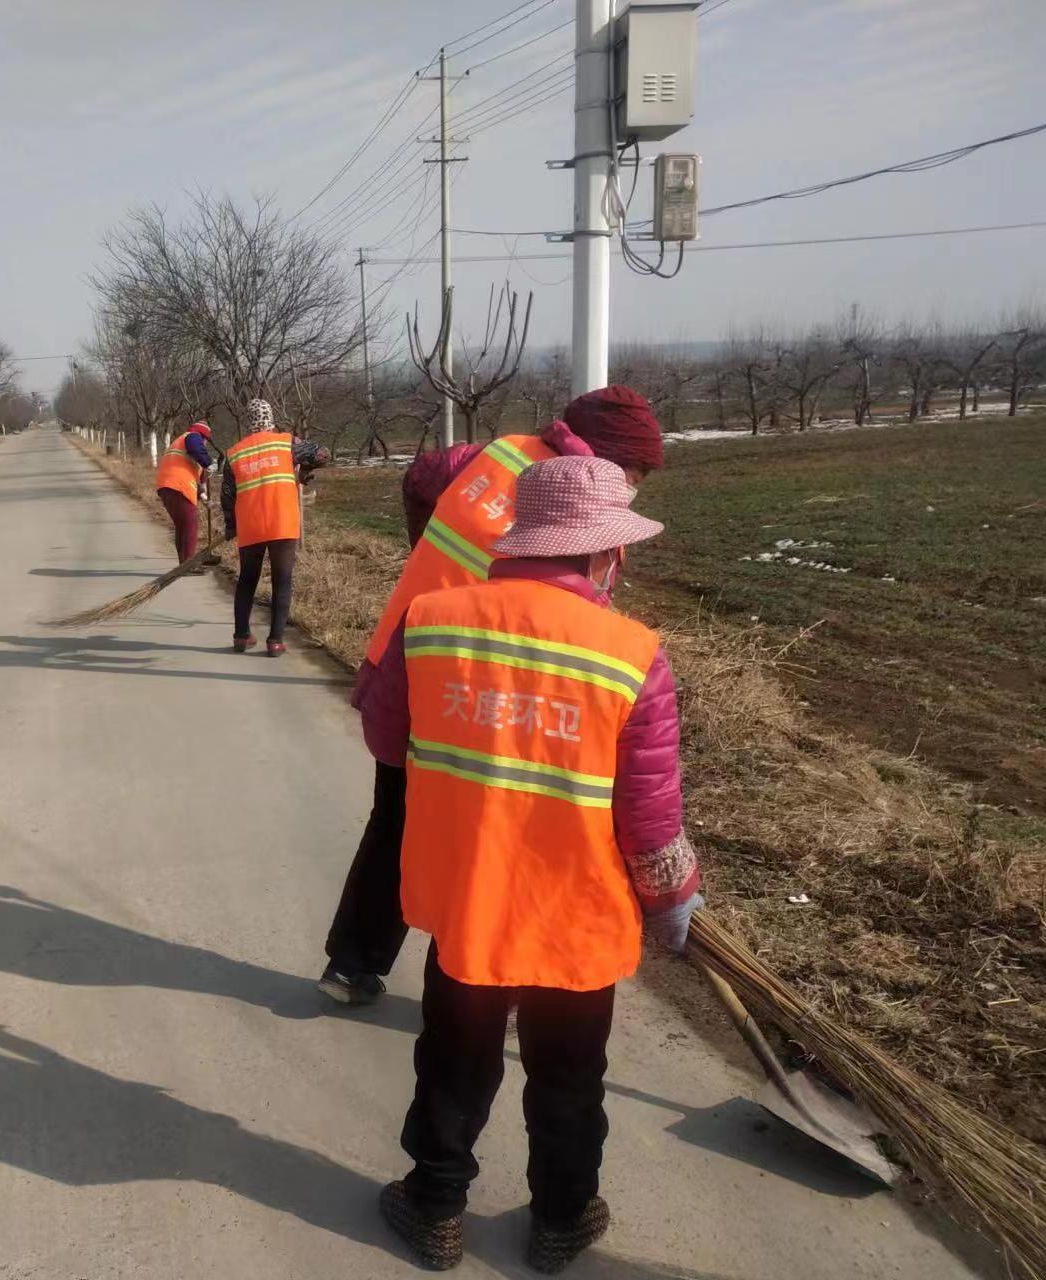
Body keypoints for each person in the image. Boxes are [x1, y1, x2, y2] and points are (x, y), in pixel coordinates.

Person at [356, 455, 700, 1273]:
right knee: (571, 1074)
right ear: (603, 555)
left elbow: (382, 736)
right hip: (574, 915)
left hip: (468, 898)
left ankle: (435, 1209)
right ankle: (562, 1219)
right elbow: (650, 819)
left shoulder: (433, 620)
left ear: (521, 543)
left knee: (454, 1058)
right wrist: (672, 895)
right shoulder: (632, 653)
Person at [319, 386, 670, 1007]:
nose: (636, 485)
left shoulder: (496, 453)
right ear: (607, 458)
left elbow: (422, 475)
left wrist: (422, 549)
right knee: (491, 828)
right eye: (636, 472)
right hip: (473, 678)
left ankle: (355, 963)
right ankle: (482, 976)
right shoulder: (571, 499)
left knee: (399, 815)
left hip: (409, 655)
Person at [220, 399, 327, 656]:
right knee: (282, 581)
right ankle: (275, 641)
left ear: (249, 422)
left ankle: (241, 636)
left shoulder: (234, 453)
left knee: (247, 580)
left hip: (251, 526)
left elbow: (227, 495)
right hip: (283, 524)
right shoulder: (288, 443)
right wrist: (305, 470)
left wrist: (231, 526)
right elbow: (323, 454)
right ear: (271, 419)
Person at [154, 422, 213, 565]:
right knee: (190, 525)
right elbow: (197, 449)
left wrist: (204, 497)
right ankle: (188, 564)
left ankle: (184, 563)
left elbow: (196, 480)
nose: (205, 444)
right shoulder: (192, 437)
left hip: (166, 487)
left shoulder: (179, 444)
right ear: (203, 436)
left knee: (182, 526)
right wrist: (209, 463)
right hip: (179, 487)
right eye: (205, 441)